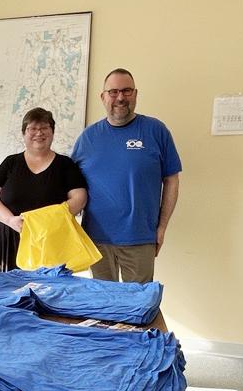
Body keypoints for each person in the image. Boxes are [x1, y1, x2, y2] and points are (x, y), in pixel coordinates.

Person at [72, 68, 181, 283]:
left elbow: (171, 180)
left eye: (126, 91)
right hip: (96, 239)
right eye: (113, 92)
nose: (120, 97)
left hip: (140, 238)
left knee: (137, 307)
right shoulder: (87, 137)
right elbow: (70, 185)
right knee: (104, 307)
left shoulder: (156, 131)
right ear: (103, 97)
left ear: (136, 94)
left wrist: (162, 227)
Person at [0, 108, 87, 271]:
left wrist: (47, 221)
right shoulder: (11, 162)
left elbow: (79, 197)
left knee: (49, 293)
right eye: (32, 128)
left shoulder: (65, 164)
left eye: (44, 128)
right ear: (24, 133)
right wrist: (10, 220)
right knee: (10, 293)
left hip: (51, 242)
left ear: (52, 132)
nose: (39, 133)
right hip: (12, 239)